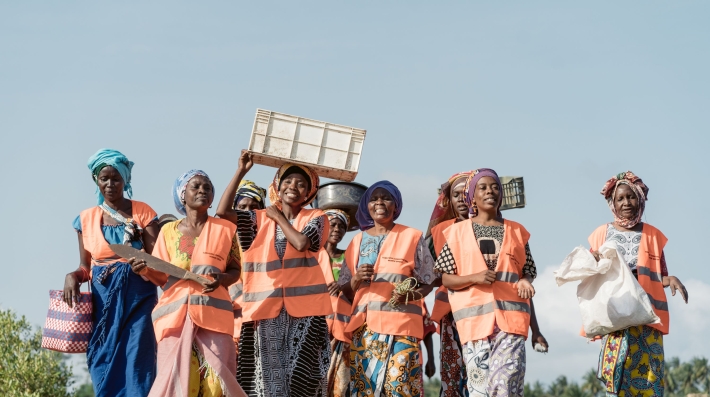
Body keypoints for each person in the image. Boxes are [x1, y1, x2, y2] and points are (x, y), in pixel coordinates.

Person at [216, 151, 333, 397]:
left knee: (302, 382)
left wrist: (278, 216)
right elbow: (223, 213)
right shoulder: (259, 219)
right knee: (266, 383)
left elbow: (302, 243)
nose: (293, 186)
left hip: (305, 313)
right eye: (288, 181)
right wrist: (241, 171)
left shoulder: (317, 218)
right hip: (265, 310)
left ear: (309, 193)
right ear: (277, 187)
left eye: (301, 184)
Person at [428, 171, 549, 397]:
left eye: (494, 187)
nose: (490, 191)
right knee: (479, 391)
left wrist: (525, 281)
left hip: (511, 323)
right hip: (473, 325)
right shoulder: (455, 232)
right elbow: (445, 277)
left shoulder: (517, 231)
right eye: (482, 188)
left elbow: (528, 270)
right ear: (472, 197)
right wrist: (474, 278)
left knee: (506, 385)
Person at [62, 149, 162, 397]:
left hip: (140, 300)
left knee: (138, 361)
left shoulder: (144, 213)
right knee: (102, 361)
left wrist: (143, 265)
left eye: (116, 178)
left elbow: (160, 261)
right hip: (103, 305)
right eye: (104, 178)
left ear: (125, 180)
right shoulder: (85, 219)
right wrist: (73, 276)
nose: (110, 184)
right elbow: (86, 266)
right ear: (96, 180)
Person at [590, 171, 688, 397]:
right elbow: (589, 270)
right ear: (612, 203)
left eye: (631, 197)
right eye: (620, 198)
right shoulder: (601, 234)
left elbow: (658, 274)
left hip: (647, 319)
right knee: (616, 377)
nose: (626, 203)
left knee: (649, 378)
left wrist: (669, 279)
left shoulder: (652, 235)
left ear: (640, 199)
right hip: (616, 319)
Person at [148, 170, 245, 397]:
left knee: (217, 385)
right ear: (183, 195)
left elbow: (235, 268)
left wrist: (223, 279)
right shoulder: (167, 232)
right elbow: (160, 277)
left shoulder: (226, 229)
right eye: (196, 186)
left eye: (208, 187)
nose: (203, 190)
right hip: (174, 320)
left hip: (215, 320)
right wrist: (143, 269)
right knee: (179, 384)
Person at [338, 181, 438, 397]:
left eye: (386, 198)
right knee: (366, 390)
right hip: (364, 330)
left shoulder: (412, 237)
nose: (380, 202)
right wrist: (355, 280)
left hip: (402, 327)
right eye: (374, 198)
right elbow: (345, 291)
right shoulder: (356, 241)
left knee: (398, 388)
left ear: (396, 205)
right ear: (367, 206)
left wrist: (411, 295)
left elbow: (429, 280)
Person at [215, 176, 268, 356]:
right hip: (229, 322)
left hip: (261, 323)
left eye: (253, 207)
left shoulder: (269, 242)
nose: (247, 212)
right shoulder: (222, 241)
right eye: (242, 207)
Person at [322, 208, 352, 397]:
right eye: (332, 224)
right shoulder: (312, 255)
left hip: (342, 328)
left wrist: (344, 286)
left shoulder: (349, 256)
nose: (337, 229)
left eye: (342, 226)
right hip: (317, 330)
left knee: (340, 390)